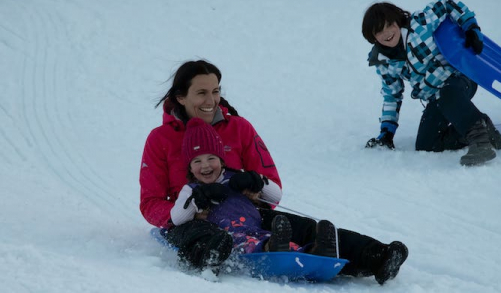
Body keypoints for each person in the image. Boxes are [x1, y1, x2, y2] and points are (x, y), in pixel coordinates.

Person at [139, 59, 408, 284]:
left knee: (303, 227)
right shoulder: (160, 139)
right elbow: (150, 204)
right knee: (209, 237)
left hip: (242, 211)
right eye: (201, 93)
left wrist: (252, 183)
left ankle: (377, 256)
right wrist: (188, 209)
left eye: (216, 91)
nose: (212, 100)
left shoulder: (239, 128)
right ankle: (213, 258)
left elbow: (273, 189)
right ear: (180, 97)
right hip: (190, 222)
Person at [362, 0, 501, 166]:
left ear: (397, 21)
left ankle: (480, 142)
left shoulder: (420, 24)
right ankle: (485, 129)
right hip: (435, 96)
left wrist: (471, 27)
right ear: (372, 36)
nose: (387, 33)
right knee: (427, 144)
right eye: (379, 31)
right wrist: (387, 133)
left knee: (447, 93)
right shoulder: (384, 62)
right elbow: (392, 96)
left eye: (390, 25)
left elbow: (447, 2)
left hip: (459, 79)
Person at [170, 117, 338, 257]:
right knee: (250, 244)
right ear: (190, 168)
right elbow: (176, 218)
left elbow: (275, 196)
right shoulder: (191, 190)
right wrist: (196, 200)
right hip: (227, 236)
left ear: (222, 160)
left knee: (280, 242)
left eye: (211, 158)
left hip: (255, 227)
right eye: (197, 161)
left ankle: (315, 251)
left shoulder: (236, 177)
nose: (205, 166)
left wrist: (256, 180)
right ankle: (269, 249)